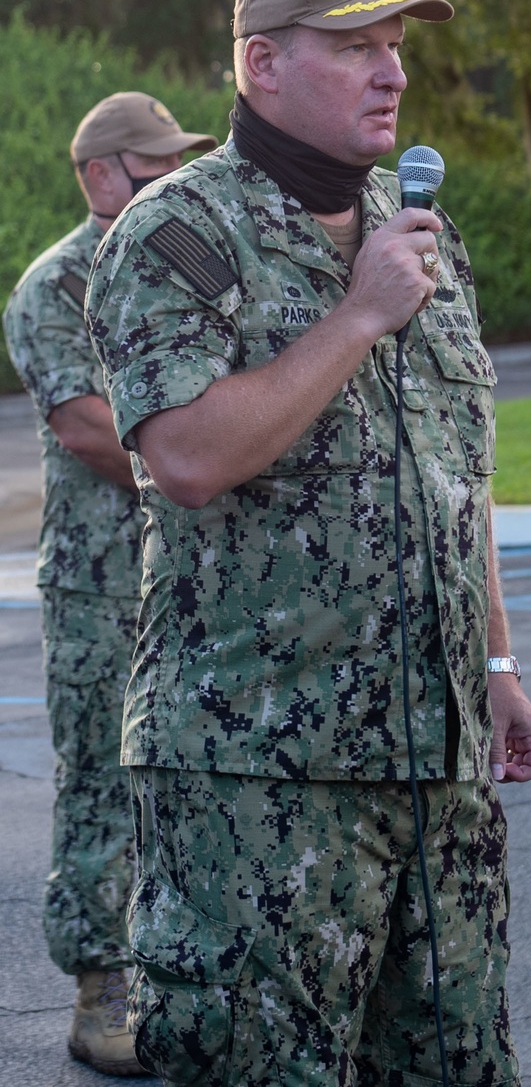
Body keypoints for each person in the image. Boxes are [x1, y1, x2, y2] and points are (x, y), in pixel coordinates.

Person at [84, 0, 531, 1085]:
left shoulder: (416, 232)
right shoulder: (178, 234)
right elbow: (183, 454)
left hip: (434, 775)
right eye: (354, 45)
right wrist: (354, 319)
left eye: (394, 43)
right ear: (262, 63)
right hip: (257, 793)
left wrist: (494, 665)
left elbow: (456, 465)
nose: (390, 70)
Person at [2, 93, 217, 1076]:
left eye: (179, 161)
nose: (172, 176)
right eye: (154, 161)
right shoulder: (57, 284)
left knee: (193, 788)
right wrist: (200, 460)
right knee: (101, 789)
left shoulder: (186, 260)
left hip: (194, 573)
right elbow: (89, 427)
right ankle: (101, 1000)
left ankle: (184, 985)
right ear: (99, 172)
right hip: (101, 585)